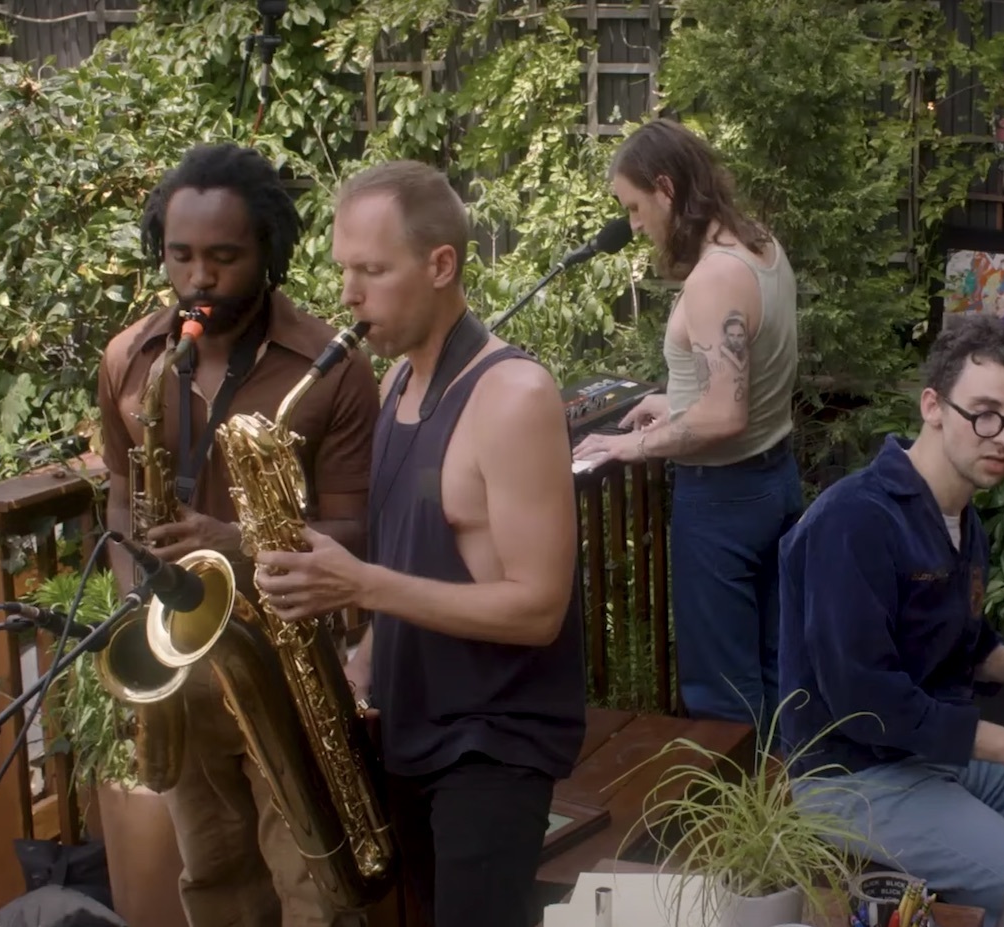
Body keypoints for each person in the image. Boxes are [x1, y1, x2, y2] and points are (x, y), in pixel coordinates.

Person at [250, 159, 588, 927]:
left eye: (372, 269)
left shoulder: (515, 396)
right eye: (343, 270)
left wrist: (361, 585)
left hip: (491, 747)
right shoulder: (398, 383)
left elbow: (539, 609)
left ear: (442, 265)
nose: (348, 295)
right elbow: (414, 555)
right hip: (409, 725)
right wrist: (357, 660)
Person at [96, 141, 381, 927]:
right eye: (180, 256)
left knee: (312, 890)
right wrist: (141, 615)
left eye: (223, 257)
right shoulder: (130, 359)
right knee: (213, 878)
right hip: (185, 664)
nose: (198, 278)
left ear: (269, 252)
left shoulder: (330, 369)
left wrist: (233, 540)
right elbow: (123, 497)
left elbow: (359, 527)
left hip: (287, 660)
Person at [776, 313, 1004, 926]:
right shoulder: (853, 522)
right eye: (985, 414)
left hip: (932, 757)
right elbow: (867, 698)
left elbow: (951, 643)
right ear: (933, 406)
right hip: (852, 779)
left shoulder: (965, 523)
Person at [572, 118, 801, 730]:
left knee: (723, 689)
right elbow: (745, 382)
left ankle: (737, 821)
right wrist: (674, 404)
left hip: (723, 499)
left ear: (666, 188)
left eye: (635, 207)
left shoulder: (714, 278)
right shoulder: (761, 247)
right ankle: (792, 810)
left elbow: (726, 413)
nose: (636, 224)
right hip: (775, 479)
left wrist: (635, 446)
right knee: (776, 666)